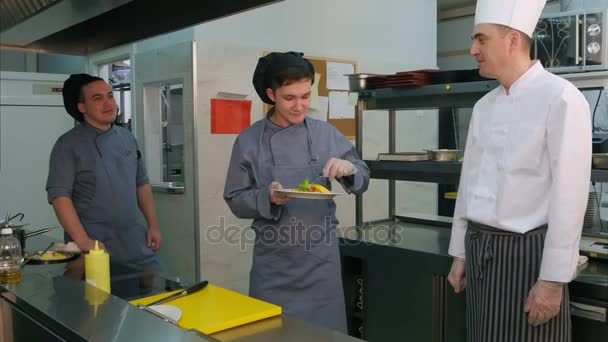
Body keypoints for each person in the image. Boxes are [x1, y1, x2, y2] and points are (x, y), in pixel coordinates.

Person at [446, 1, 592, 341]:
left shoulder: (562, 98)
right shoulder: (484, 106)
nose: (472, 49)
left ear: (512, 39)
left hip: (527, 260)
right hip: (481, 252)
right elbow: (469, 185)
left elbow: (569, 199)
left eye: (481, 40)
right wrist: (459, 254)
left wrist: (553, 281)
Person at [223, 52, 369, 332]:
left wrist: (349, 168)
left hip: (321, 266)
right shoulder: (249, 141)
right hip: (274, 268)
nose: (299, 105)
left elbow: (362, 175)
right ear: (271, 94)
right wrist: (267, 197)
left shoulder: (325, 133)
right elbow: (235, 198)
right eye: (290, 98)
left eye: (305, 95)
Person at [46, 74, 162, 271]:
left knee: (151, 297)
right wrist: (83, 241)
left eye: (110, 96)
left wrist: (152, 225)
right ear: (81, 107)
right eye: (97, 99)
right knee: (99, 301)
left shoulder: (126, 137)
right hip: (95, 249)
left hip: (136, 244)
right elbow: (59, 197)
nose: (108, 104)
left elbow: (141, 183)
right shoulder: (67, 145)